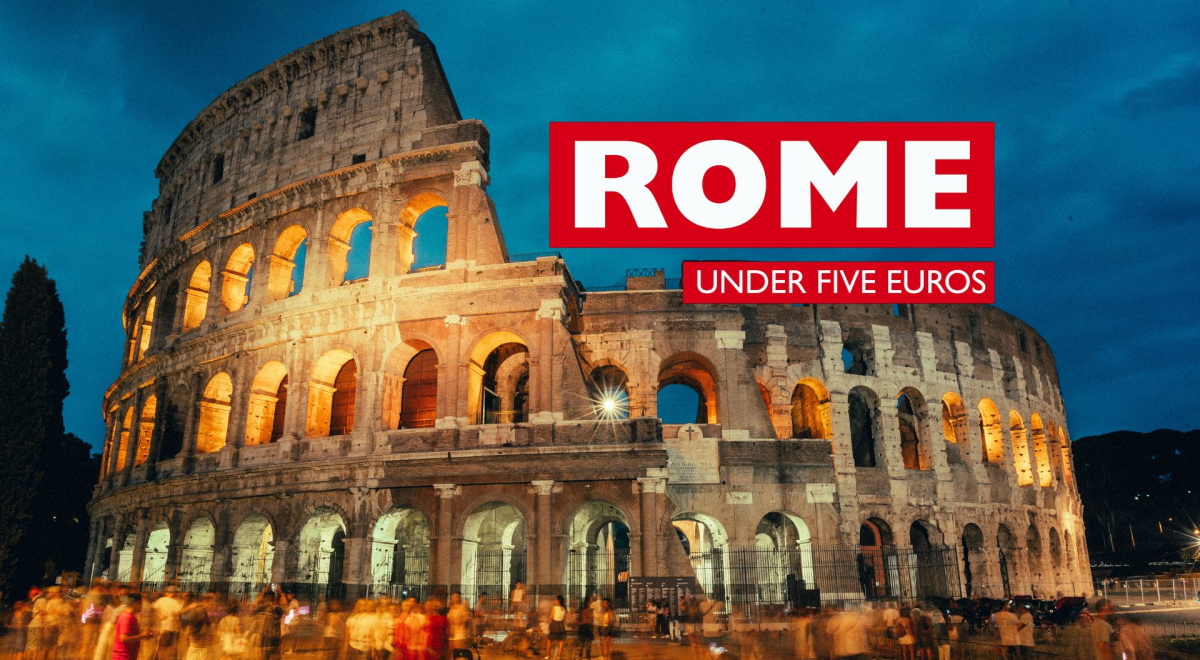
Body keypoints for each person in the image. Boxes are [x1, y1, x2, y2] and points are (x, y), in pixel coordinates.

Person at [113, 595, 152, 660]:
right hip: (123, 656)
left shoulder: (130, 616)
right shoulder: (127, 617)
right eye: (140, 604)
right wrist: (142, 636)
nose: (141, 607)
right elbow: (123, 638)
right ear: (135, 604)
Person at [546, 596, 567, 660]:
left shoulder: (554, 608)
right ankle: (559, 657)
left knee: (549, 640)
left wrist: (550, 624)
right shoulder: (564, 609)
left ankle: (547, 656)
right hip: (561, 625)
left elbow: (551, 617)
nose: (554, 601)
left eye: (555, 600)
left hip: (554, 624)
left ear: (559, 601)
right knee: (561, 641)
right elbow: (564, 619)